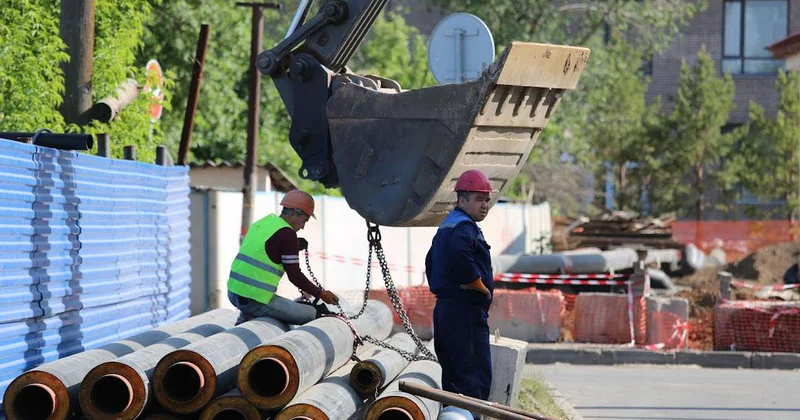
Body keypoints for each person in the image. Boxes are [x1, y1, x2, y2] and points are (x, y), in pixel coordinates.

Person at [425, 169, 494, 405]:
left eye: (486, 199)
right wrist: (478, 286)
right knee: (473, 381)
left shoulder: (447, 226)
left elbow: (430, 261)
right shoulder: (464, 228)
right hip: (466, 314)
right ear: (461, 200)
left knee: (454, 381)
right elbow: (459, 257)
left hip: (447, 311)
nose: (484, 205)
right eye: (478, 199)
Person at [227, 189, 340, 325]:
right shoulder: (288, 235)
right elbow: (295, 276)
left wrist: (294, 244)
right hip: (255, 300)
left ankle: (244, 320)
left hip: (234, 293)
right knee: (312, 313)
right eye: (305, 220)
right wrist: (321, 294)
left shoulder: (263, 223)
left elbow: (267, 247)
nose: (303, 226)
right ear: (294, 214)